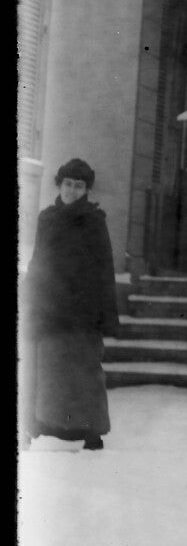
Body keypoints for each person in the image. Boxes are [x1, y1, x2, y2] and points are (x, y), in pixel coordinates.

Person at [22, 158, 120, 451]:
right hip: (49, 308)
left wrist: (105, 313)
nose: (72, 191)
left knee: (83, 373)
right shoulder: (47, 218)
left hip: (82, 311)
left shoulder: (93, 220)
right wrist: (28, 293)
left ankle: (91, 434)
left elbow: (105, 268)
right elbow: (38, 260)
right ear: (59, 185)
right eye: (67, 184)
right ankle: (34, 426)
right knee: (44, 371)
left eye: (79, 186)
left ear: (86, 190)